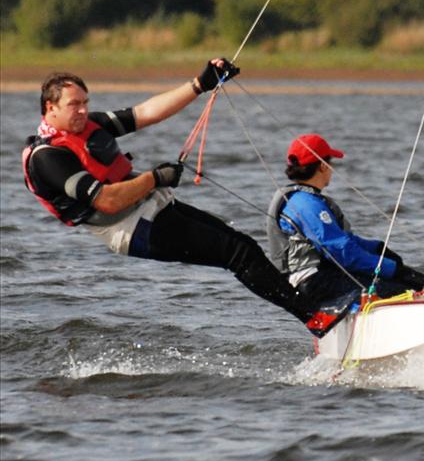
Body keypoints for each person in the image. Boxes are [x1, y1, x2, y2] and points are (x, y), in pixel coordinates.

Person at [22, 61, 336, 335]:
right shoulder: (48, 157)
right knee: (238, 253)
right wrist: (155, 178)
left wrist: (199, 84)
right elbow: (107, 201)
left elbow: (146, 113)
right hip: (130, 228)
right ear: (50, 108)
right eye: (74, 105)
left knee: (244, 246)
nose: (82, 110)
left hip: (151, 207)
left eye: (85, 103)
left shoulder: (87, 127)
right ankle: (315, 318)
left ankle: (309, 308)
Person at [266, 132, 424, 310]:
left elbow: (341, 241)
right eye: (330, 162)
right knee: (404, 292)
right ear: (322, 166)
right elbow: (341, 251)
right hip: (312, 283)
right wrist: (391, 269)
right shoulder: (305, 204)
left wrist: (376, 248)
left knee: (399, 284)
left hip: (321, 276)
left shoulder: (303, 199)